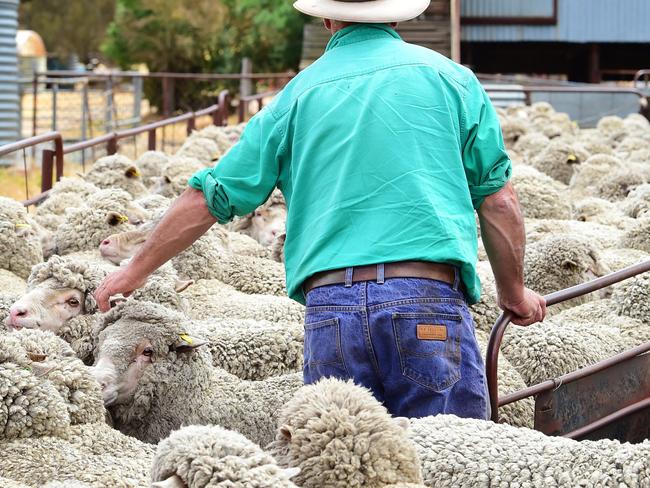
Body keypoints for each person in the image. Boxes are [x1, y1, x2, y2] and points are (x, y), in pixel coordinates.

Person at [95, 0, 546, 420]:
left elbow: (208, 198)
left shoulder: (296, 96)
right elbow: (499, 200)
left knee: (336, 463)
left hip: (333, 311)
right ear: (397, 16)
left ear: (327, 19)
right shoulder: (453, 81)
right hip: (426, 301)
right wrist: (513, 293)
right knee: (449, 461)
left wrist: (131, 273)